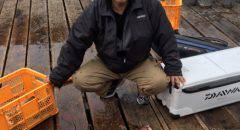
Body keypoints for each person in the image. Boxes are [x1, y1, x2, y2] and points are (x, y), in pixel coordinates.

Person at [47, 0, 185, 105]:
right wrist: (57, 76)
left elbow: (166, 36)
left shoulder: (150, 5)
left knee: (160, 82)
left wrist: (174, 68)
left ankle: (143, 93)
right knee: (80, 81)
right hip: (108, 63)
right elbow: (75, 43)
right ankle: (111, 85)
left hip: (138, 61)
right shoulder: (95, 9)